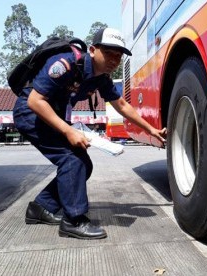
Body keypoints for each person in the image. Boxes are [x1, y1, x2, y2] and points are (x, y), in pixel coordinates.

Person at [13, 28, 166, 239]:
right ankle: (73, 220)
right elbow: (35, 101)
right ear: (93, 50)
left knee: (84, 164)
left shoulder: (101, 78)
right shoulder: (65, 63)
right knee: (73, 160)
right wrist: (68, 131)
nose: (115, 60)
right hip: (31, 113)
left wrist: (151, 129)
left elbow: (121, 104)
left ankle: (40, 207)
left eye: (119, 56)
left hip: (52, 115)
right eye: (110, 53)